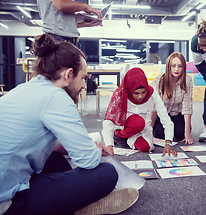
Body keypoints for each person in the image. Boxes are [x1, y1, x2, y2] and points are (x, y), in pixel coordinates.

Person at [0, 34, 138, 215]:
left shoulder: (25, 88)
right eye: (82, 78)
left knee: (54, 155)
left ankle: (72, 196)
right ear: (68, 75)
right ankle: (75, 203)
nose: (83, 86)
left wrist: (87, 147)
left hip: (7, 181)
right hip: (8, 203)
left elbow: (43, 142)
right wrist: (94, 151)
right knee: (107, 172)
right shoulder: (56, 96)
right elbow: (87, 161)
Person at [102, 67, 177, 157]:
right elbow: (108, 121)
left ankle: (130, 140)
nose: (140, 96)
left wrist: (168, 142)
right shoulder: (120, 94)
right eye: (136, 93)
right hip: (124, 127)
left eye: (143, 92)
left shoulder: (152, 94)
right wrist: (109, 145)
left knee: (146, 147)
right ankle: (120, 138)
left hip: (142, 128)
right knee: (138, 122)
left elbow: (165, 118)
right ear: (130, 90)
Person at [36, 0, 103, 47]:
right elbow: (61, 4)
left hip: (61, 38)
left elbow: (57, 20)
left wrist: (84, 24)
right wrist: (85, 7)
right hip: (59, 39)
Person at [150, 52, 194, 144]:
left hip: (177, 114)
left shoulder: (188, 80)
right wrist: (149, 131)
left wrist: (188, 132)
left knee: (181, 134)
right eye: (173, 66)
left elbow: (187, 107)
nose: (176, 69)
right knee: (160, 135)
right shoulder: (158, 81)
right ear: (168, 66)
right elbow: (153, 108)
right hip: (162, 115)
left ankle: (182, 129)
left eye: (180, 66)